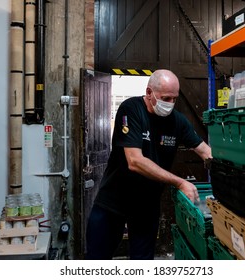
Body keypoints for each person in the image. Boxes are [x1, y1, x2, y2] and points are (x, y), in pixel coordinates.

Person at [85, 69, 212, 260]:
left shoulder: (178, 122)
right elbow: (135, 161)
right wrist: (180, 182)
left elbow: (205, 151)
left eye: (174, 99)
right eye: (165, 98)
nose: (169, 104)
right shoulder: (131, 109)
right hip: (113, 202)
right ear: (149, 92)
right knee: (97, 259)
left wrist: (228, 169)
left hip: (146, 207)